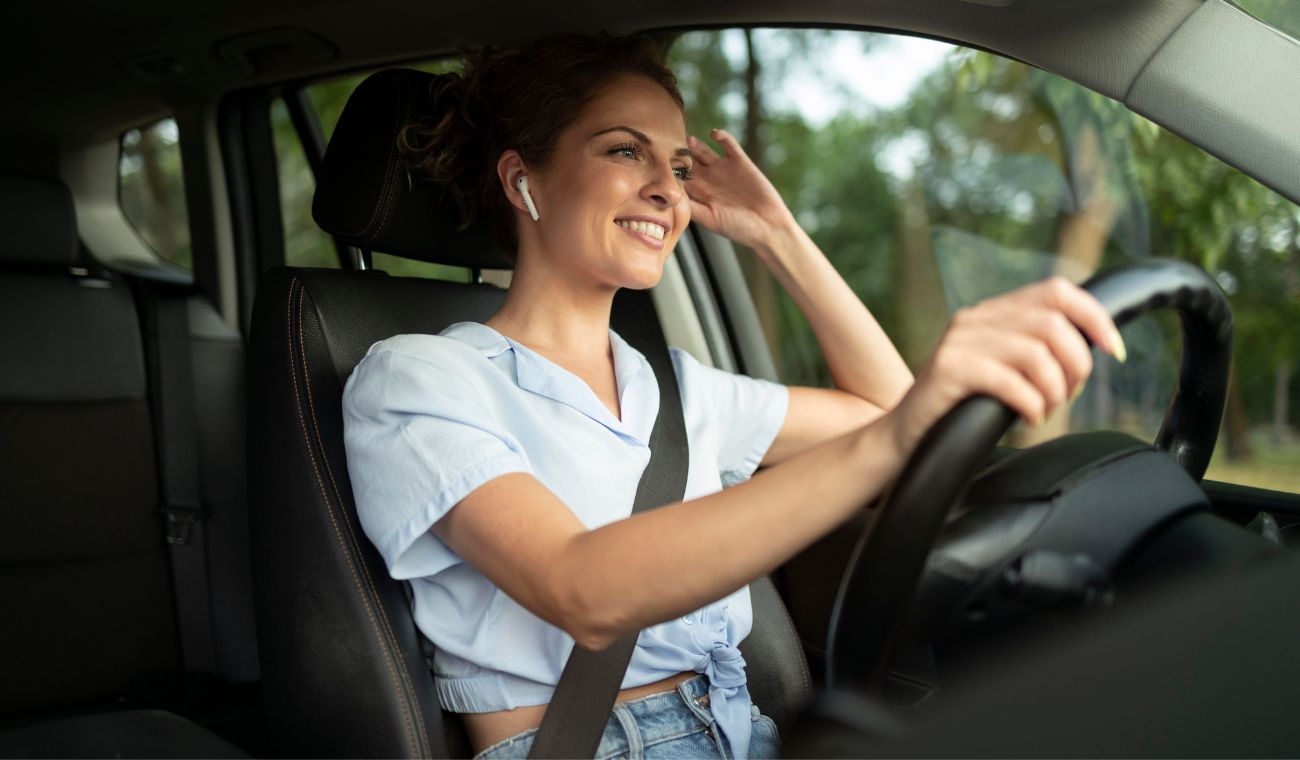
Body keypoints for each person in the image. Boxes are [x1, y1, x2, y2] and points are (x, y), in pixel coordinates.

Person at [340, 33, 1124, 760]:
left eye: (678, 169)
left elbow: (901, 420)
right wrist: (899, 431)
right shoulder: (418, 379)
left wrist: (778, 235)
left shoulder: (677, 389)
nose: (666, 191)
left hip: (746, 728)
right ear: (523, 178)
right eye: (625, 151)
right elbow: (582, 588)